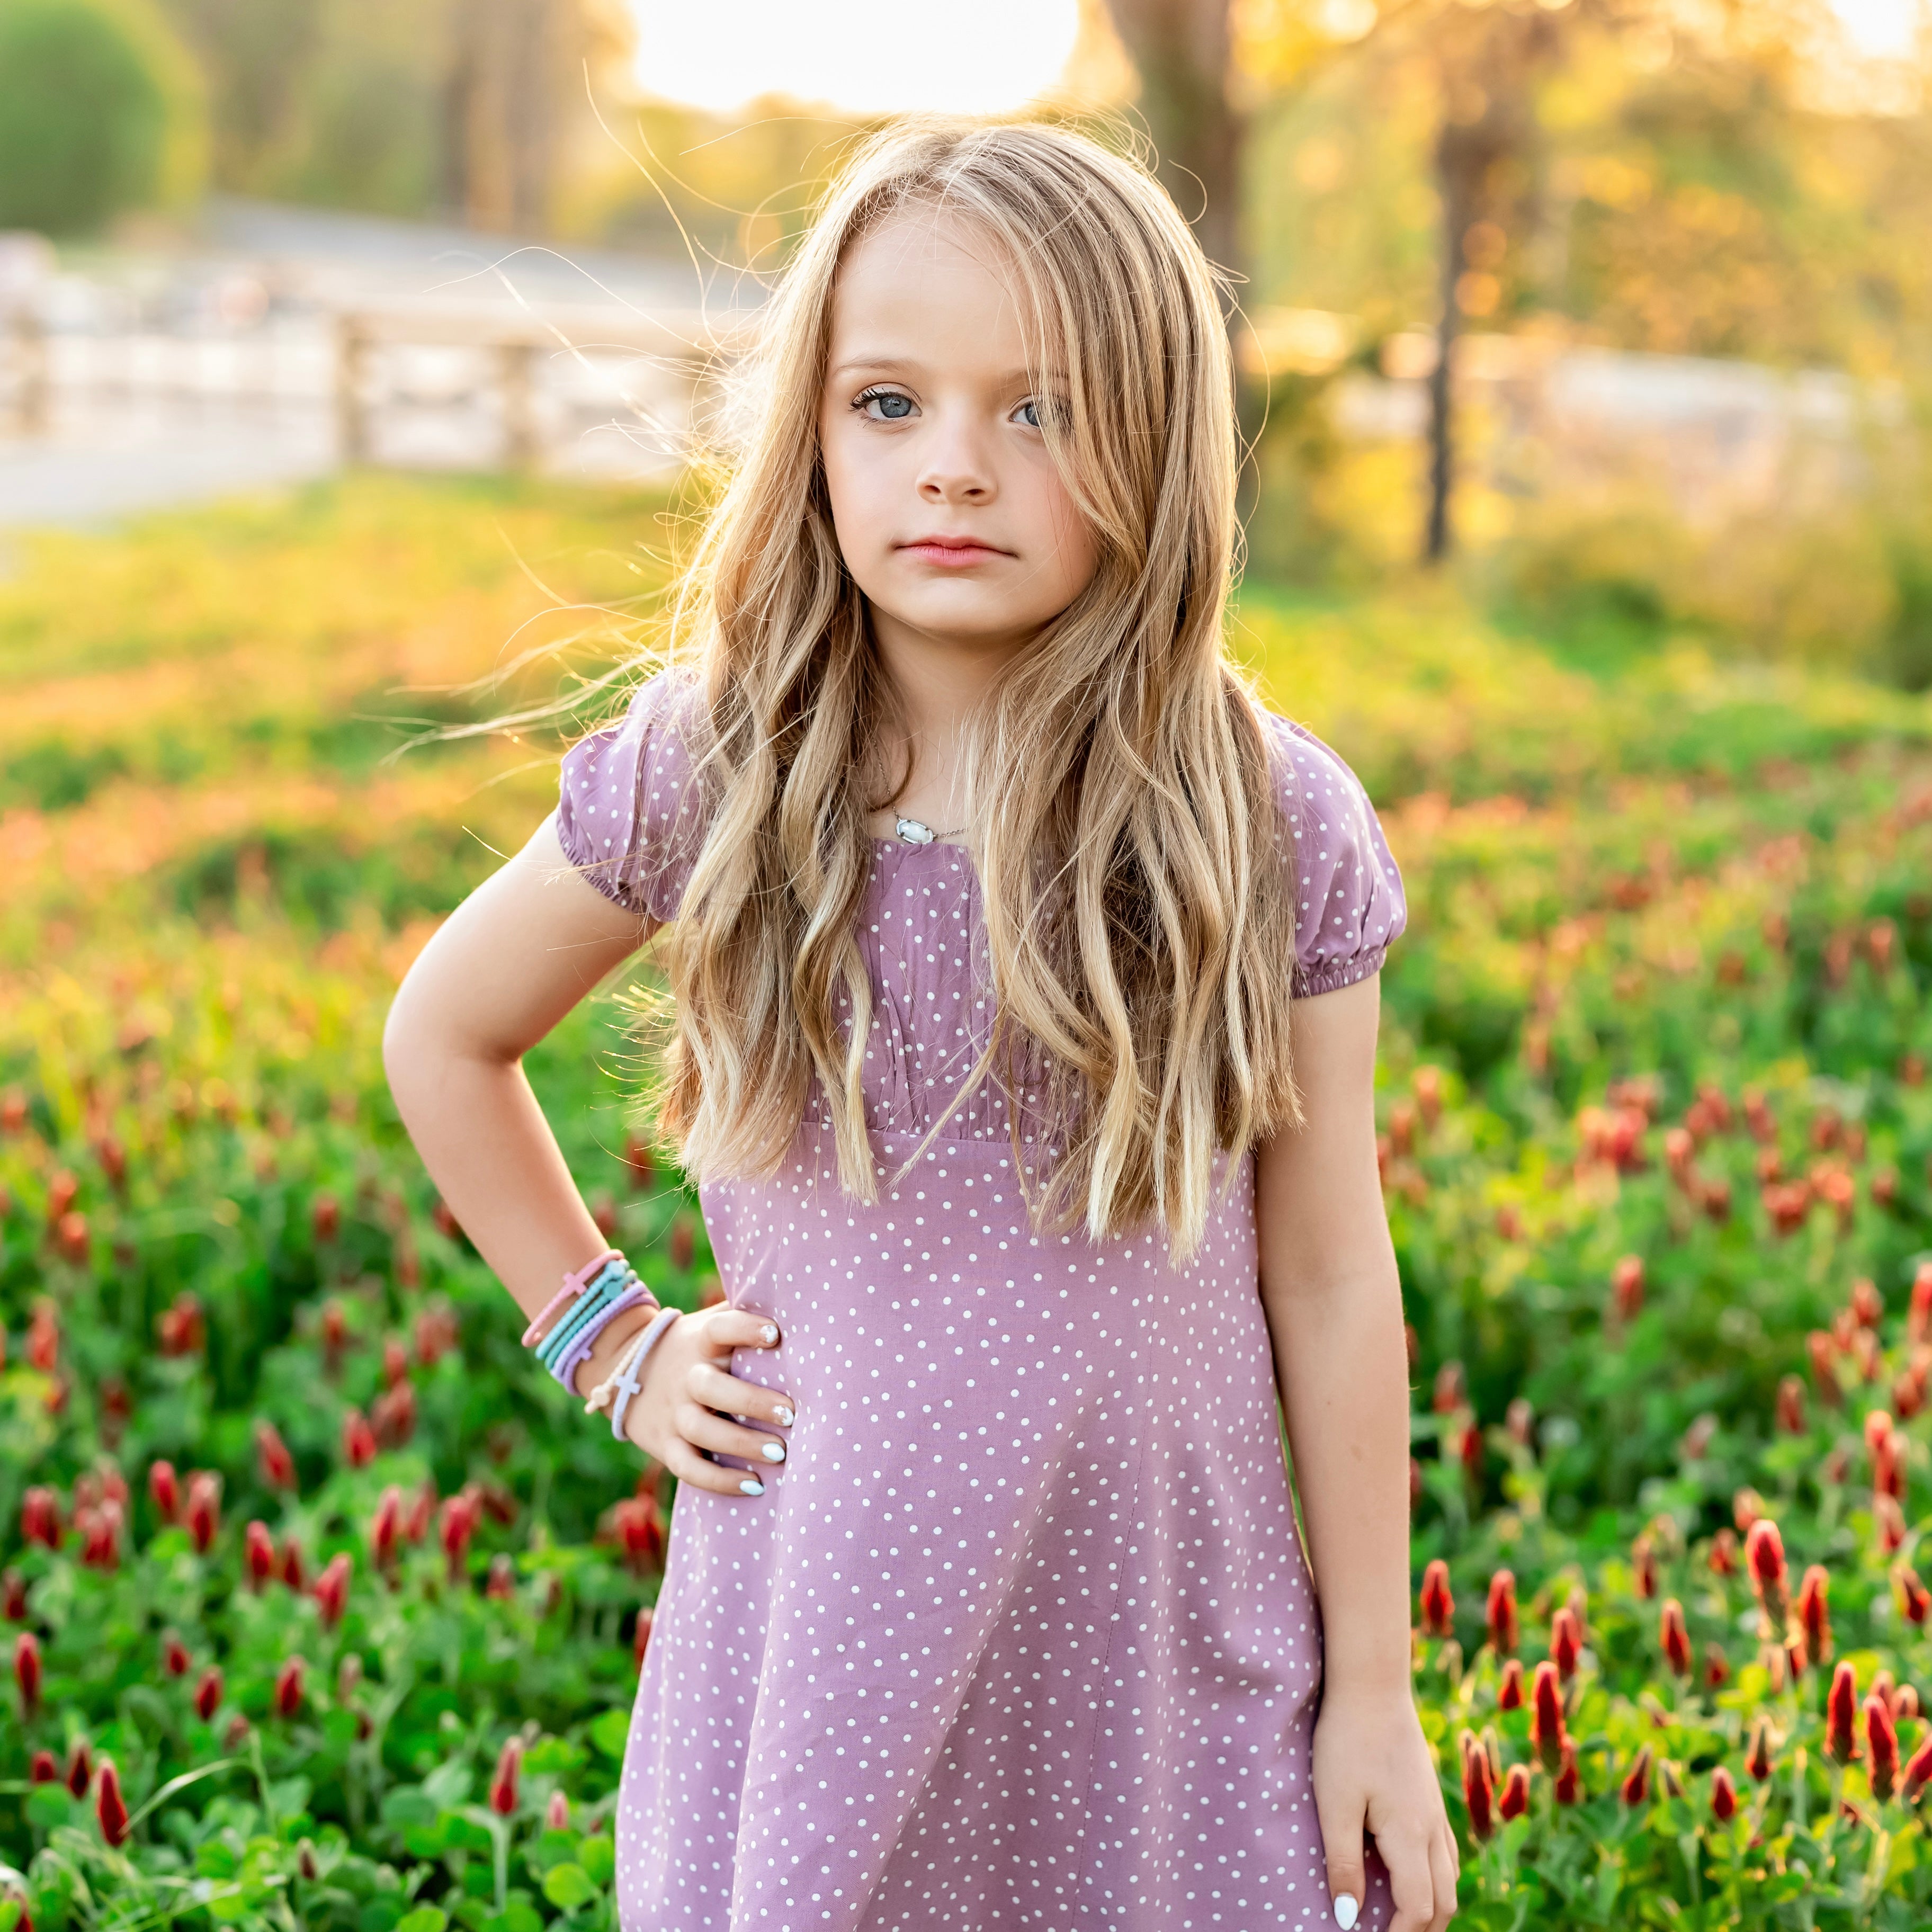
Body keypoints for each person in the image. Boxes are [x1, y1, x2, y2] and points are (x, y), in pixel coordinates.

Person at [384, 116, 1457, 1932]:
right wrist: (610, 1342)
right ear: (809, 421)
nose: (955, 469)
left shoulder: (1264, 820)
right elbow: (443, 1036)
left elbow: (1334, 1269)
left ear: (1159, 440)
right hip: (826, 1619)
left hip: (1156, 1647)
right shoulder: (720, 763)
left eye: (1038, 411)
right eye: (891, 404)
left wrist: (1375, 1688)